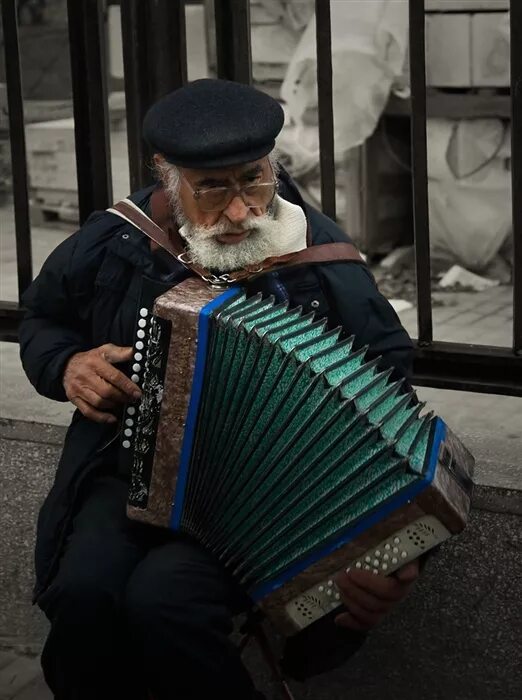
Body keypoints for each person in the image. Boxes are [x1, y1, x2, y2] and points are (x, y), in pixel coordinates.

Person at [20, 78, 420, 700]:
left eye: (253, 179)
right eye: (211, 186)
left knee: (164, 605)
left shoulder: (316, 254)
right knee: (81, 594)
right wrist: (68, 364)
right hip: (124, 471)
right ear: (167, 177)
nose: (239, 211)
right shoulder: (118, 239)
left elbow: (389, 380)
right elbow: (43, 320)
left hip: (257, 500)